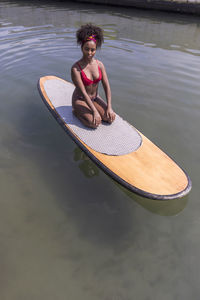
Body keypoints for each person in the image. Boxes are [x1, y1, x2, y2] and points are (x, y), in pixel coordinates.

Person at [71, 23, 116, 129]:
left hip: (95, 98)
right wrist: (95, 112)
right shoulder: (76, 68)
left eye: (93, 50)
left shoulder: (100, 65)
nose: (90, 53)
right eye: (87, 49)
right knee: (94, 123)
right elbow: (83, 92)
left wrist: (109, 107)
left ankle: (95, 111)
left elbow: (107, 86)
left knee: (109, 118)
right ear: (82, 47)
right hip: (81, 99)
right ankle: (76, 112)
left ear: (96, 49)